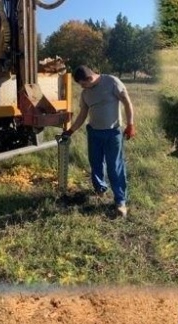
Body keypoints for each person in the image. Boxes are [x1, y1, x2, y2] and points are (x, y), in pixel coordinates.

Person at [61, 65, 135, 218]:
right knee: (95, 163)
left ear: (89, 78)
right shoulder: (85, 93)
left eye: (83, 83)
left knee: (115, 167)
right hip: (94, 133)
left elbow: (127, 102)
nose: (82, 87)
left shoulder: (112, 82)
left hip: (113, 133)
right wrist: (71, 130)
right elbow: (83, 114)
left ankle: (120, 202)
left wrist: (130, 124)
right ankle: (100, 189)